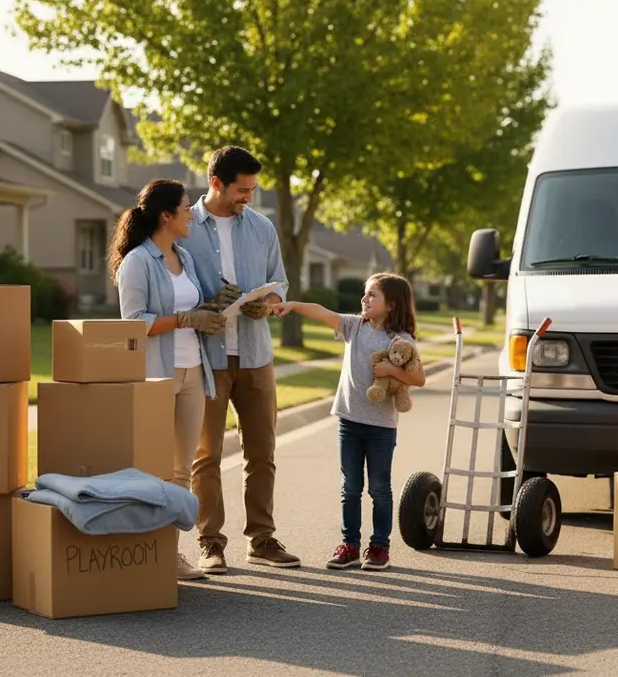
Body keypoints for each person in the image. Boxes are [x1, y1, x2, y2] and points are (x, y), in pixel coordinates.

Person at [110, 178, 241, 581]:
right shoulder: (138, 262)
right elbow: (132, 324)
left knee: (181, 470)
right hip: (155, 375)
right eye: (185, 209)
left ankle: (171, 553)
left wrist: (220, 305)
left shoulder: (182, 254)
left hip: (192, 371)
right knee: (154, 469)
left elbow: (194, 306)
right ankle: (149, 552)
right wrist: (185, 319)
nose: (191, 214)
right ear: (166, 216)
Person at [181, 145, 301, 573]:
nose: (248, 197)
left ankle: (262, 539)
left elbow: (280, 283)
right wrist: (207, 303)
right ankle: (210, 542)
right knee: (206, 455)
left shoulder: (262, 228)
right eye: (241, 189)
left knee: (262, 452)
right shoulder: (184, 225)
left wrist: (266, 301)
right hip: (206, 358)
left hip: (255, 354)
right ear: (216, 183)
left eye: (252, 189)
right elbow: (173, 283)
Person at [271, 273, 425, 571]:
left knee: (379, 488)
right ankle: (350, 545)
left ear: (391, 304)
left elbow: (418, 377)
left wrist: (391, 371)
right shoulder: (355, 326)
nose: (364, 300)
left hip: (381, 427)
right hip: (349, 421)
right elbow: (323, 312)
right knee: (350, 487)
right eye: (365, 294)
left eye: (372, 295)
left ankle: (379, 547)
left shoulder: (401, 341)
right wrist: (292, 304)